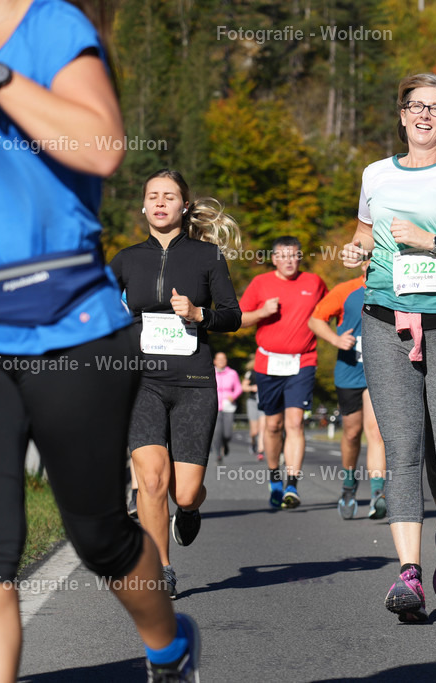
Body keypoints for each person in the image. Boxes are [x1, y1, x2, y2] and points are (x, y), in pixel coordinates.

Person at [0, 1, 199, 679]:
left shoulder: (52, 25)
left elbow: (101, 146)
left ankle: (169, 646)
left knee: (99, 533)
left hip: (74, 327)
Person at [341, 72, 436, 623]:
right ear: (402, 115)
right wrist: (356, 251)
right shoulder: (375, 174)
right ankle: (408, 574)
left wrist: (431, 241)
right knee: (401, 446)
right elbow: (365, 233)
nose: (425, 115)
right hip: (384, 319)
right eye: (416, 105)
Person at [110, 168, 243, 599]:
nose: (161, 202)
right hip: (141, 380)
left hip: (192, 382)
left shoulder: (207, 257)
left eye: (170, 196)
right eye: (153, 196)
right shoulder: (126, 260)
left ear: (184, 206)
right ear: (144, 205)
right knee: (151, 480)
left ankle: (189, 511)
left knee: (184, 492)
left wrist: (198, 314)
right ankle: (161, 567)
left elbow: (233, 315)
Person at [239, 236, 327, 509]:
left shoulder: (314, 283)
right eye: (283, 256)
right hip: (268, 364)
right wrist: (262, 312)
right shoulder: (260, 284)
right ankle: (274, 475)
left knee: (295, 422)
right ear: (274, 258)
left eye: (294, 255)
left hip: (302, 361)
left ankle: (292, 484)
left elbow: (329, 311)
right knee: (274, 425)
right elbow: (239, 319)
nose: (289, 261)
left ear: (300, 257)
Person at [308, 261, 388, 520]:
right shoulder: (347, 290)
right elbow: (316, 320)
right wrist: (335, 339)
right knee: (352, 434)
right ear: (363, 263)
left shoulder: (394, 289)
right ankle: (348, 485)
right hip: (349, 372)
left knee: (376, 431)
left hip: (381, 372)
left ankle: (378, 494)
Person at [211, 351, 243, 464]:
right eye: (219, 359)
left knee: (227, 433)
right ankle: (218, 455)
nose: (221, 361)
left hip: (229, 406)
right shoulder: (210, 372)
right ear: (214, 361)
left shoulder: (232, 373)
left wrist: (233, 396)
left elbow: (239, 388)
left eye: (223, 359)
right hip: (215, 406)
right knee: (216, 432)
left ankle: (225, 443)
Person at [241, 354, 266, 461]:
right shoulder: (251, 373)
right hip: (252, 402)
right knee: (254, 432)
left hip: (264, 402)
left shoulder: (268, 372)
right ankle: (253, 443)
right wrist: (252, 387)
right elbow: (244, 387)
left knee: (262, 428)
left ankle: (260, 450)